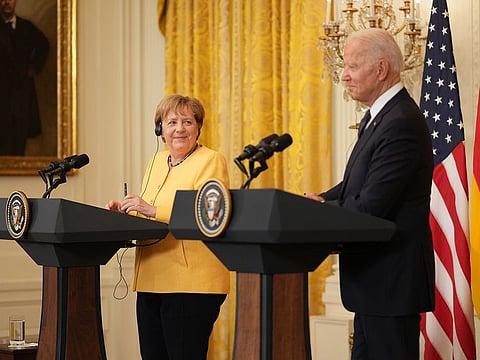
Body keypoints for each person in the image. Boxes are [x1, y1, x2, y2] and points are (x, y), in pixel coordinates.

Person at [305, 28, 435, 360]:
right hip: (373, 284)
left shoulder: (401, 121)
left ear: (380, 70)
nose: (344, 76)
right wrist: (316, 202)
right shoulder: (379, 119)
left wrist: (320, 213)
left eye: (351, 66)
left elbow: (372, 204)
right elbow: (353, 188)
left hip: (390, 283)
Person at [106, 94, 230, 359]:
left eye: (187, 121)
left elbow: (210, 216)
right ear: (160, 129)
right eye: (172, 122)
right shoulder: (156, 162)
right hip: (151, 278)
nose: (180, 129)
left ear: (198, 128)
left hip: (192, 284)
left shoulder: (211, 160)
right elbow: (149, 216)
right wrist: (124, 214)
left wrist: (151, 209)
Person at [0, 0, 49, 155]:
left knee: (19, 135)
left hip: (21, 94)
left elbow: (43, 45)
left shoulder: (26, 27)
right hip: (1, 93)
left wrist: (34, 66)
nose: (7, 3)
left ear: (15, 2)